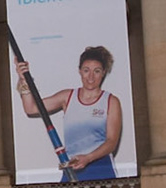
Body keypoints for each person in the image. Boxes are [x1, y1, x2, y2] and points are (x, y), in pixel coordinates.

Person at [15, 46, 124, 180]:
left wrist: (88, 158)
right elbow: (31, 108)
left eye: (96, 71)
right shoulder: (67, 97)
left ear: (103, 73)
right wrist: (23, 80)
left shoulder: (111, 101)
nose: (90, 76)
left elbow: (111, 142)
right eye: (86, 70)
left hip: (101, 169)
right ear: (79, 71)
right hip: (73, 170)